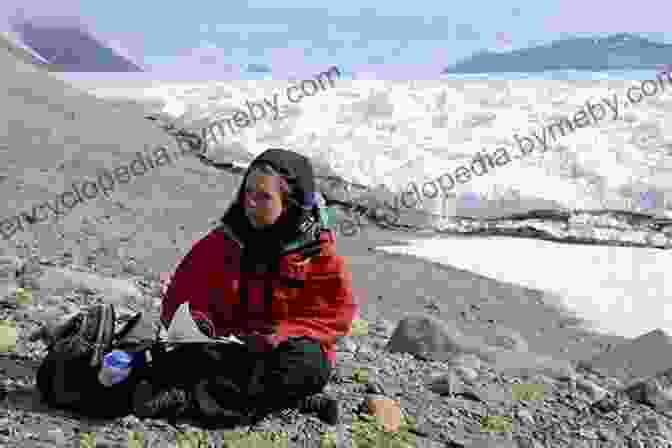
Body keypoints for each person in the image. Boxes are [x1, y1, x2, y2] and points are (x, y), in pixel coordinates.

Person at [132, 148, 357, 426]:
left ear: (290, 202)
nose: (249, 203)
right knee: (179, 356)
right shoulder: (224, 240)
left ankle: (189, 401)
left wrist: (278, 336)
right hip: (230, 347)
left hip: (280, 353)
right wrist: (202, 324)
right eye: (247, 191)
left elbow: (334, 318)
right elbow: (180, 299)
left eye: (263, 197)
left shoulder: (316, 252)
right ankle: (292, 401)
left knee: (306, 365)